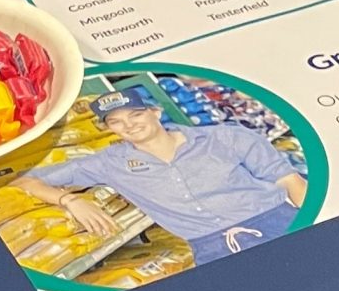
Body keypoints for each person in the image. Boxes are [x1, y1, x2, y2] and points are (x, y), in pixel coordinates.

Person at [16, 93, 305, 266]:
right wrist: (70, 200)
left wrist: (315, 229)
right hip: (211, 249)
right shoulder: (108, 163)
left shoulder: (225, 136)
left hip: (277, 222)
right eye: (116, 121)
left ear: (155, 111)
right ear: (109, 128)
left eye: (136, 113)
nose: (129, 124)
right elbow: (25, 180)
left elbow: (291, 182)